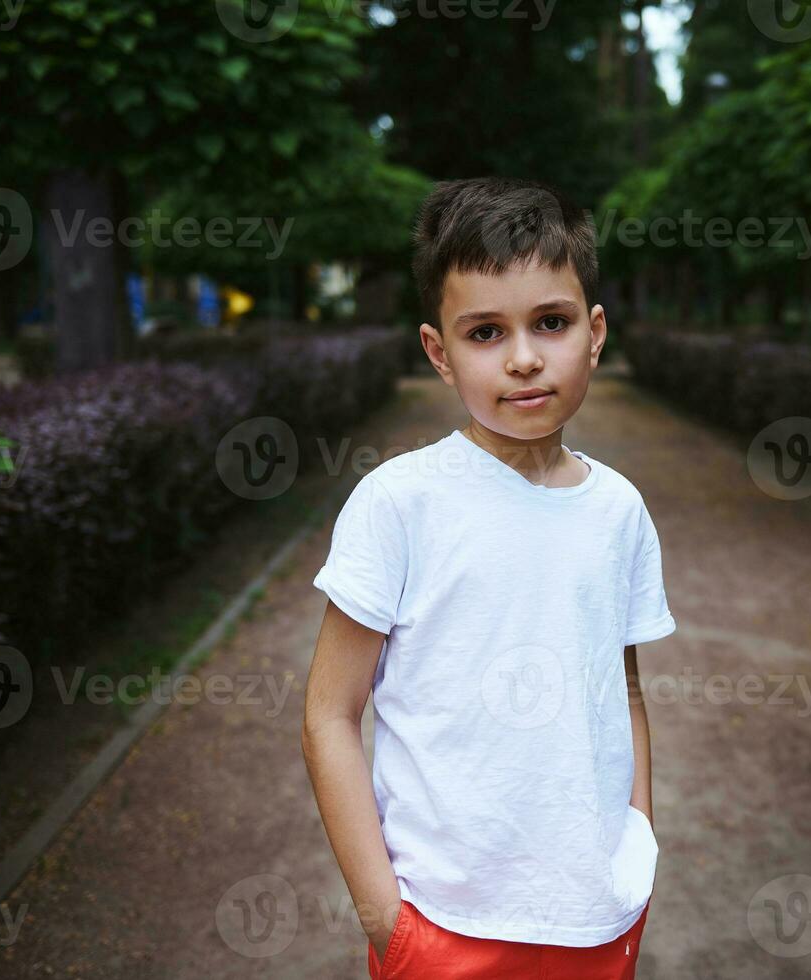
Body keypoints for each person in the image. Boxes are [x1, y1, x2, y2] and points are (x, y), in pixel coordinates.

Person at [301, 176, 677, 979]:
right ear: (439, 351)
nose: (523, 358)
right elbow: (329, 714)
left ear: (595, 331)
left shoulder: (618, 510)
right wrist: (387, 924)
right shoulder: (400, 503)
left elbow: (624, 690)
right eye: (484, 333)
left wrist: (634, 842)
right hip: (442, 923)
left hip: (598, 916)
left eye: (551, 321)